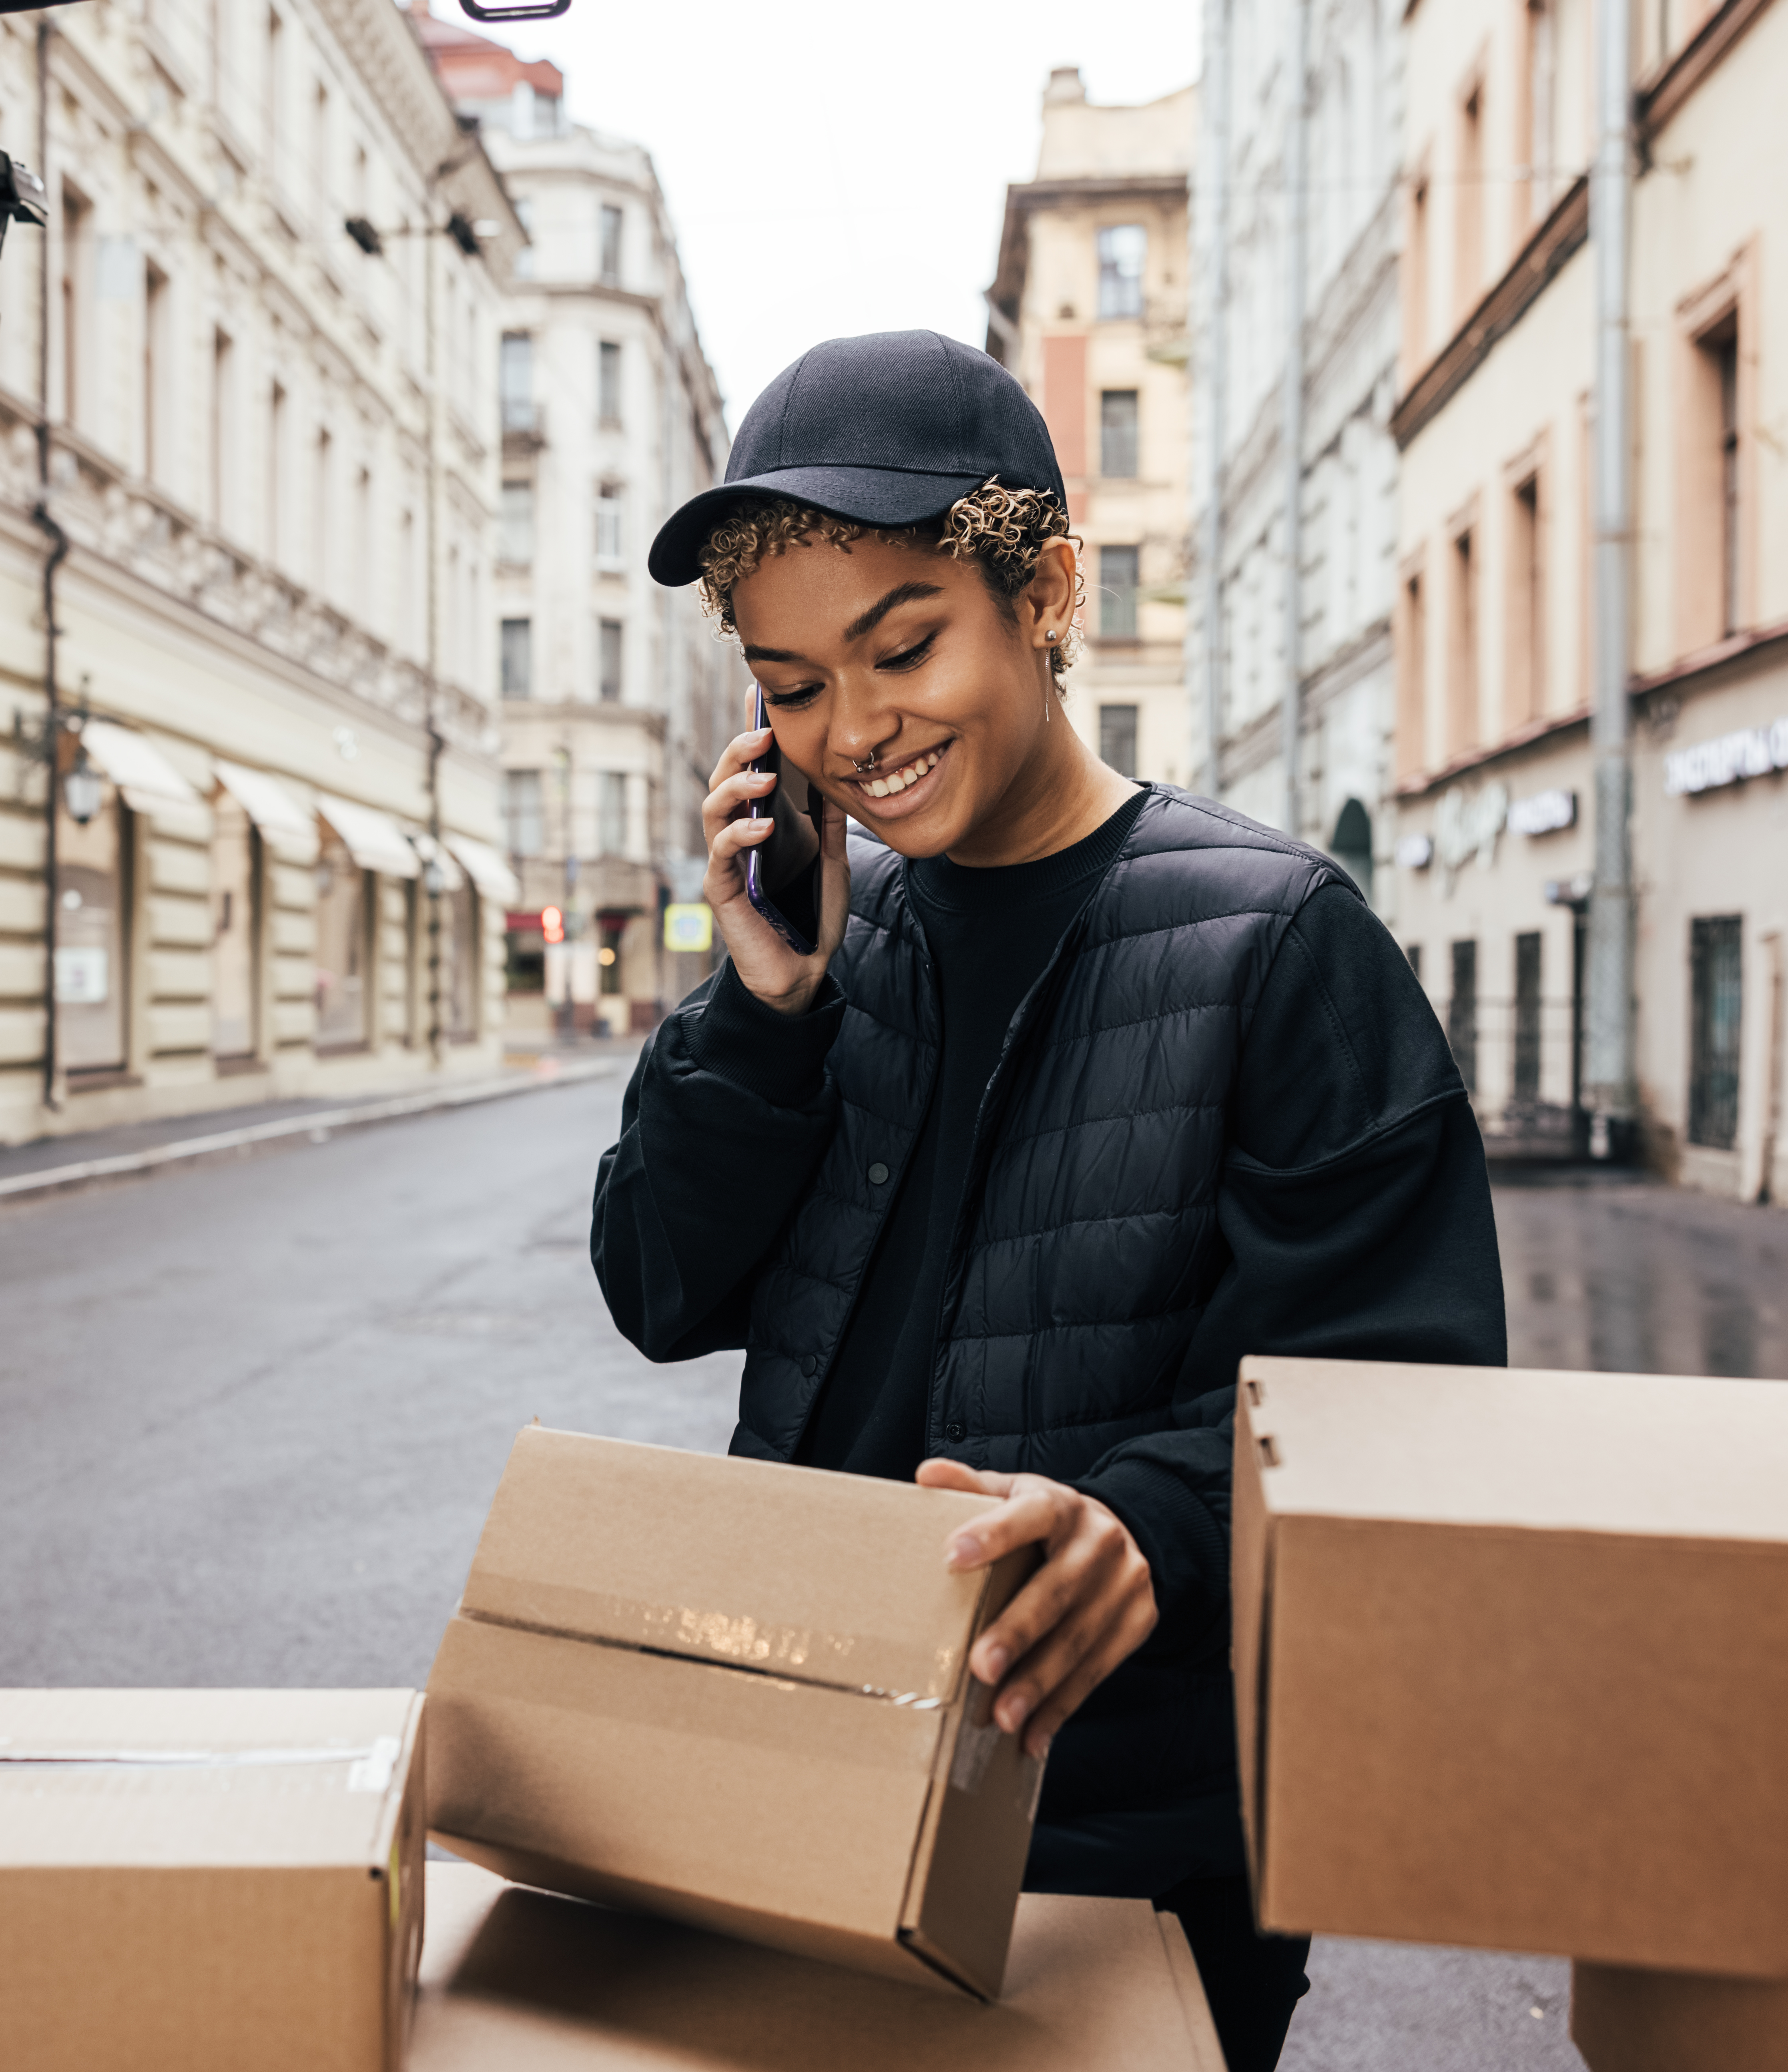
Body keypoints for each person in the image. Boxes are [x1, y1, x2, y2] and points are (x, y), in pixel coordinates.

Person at [590, 331, 1506, 2068]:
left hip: (1121, 1841)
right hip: (798, 1779)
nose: (850, 732)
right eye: (789, 686)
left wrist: (1146, 1524)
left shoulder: (1278, 939)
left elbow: (1402, 1404)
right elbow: (654, 1286)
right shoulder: (822, 946)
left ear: (1046, 593)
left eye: (903, 645)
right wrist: (755, 1012)